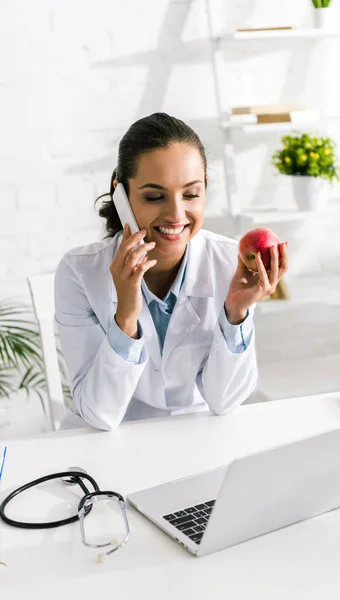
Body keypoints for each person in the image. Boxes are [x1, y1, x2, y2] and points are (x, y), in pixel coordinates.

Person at [54, 113, 288, 430]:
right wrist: (125, 317)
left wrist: (236, 312)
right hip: (107, 447)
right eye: (154, 196)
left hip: (195, 438)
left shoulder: (229, 263)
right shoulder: (79, 272)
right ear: (121, 194)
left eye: (191, 194)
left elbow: (225, 401)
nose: (176, 215)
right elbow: (99, 414)